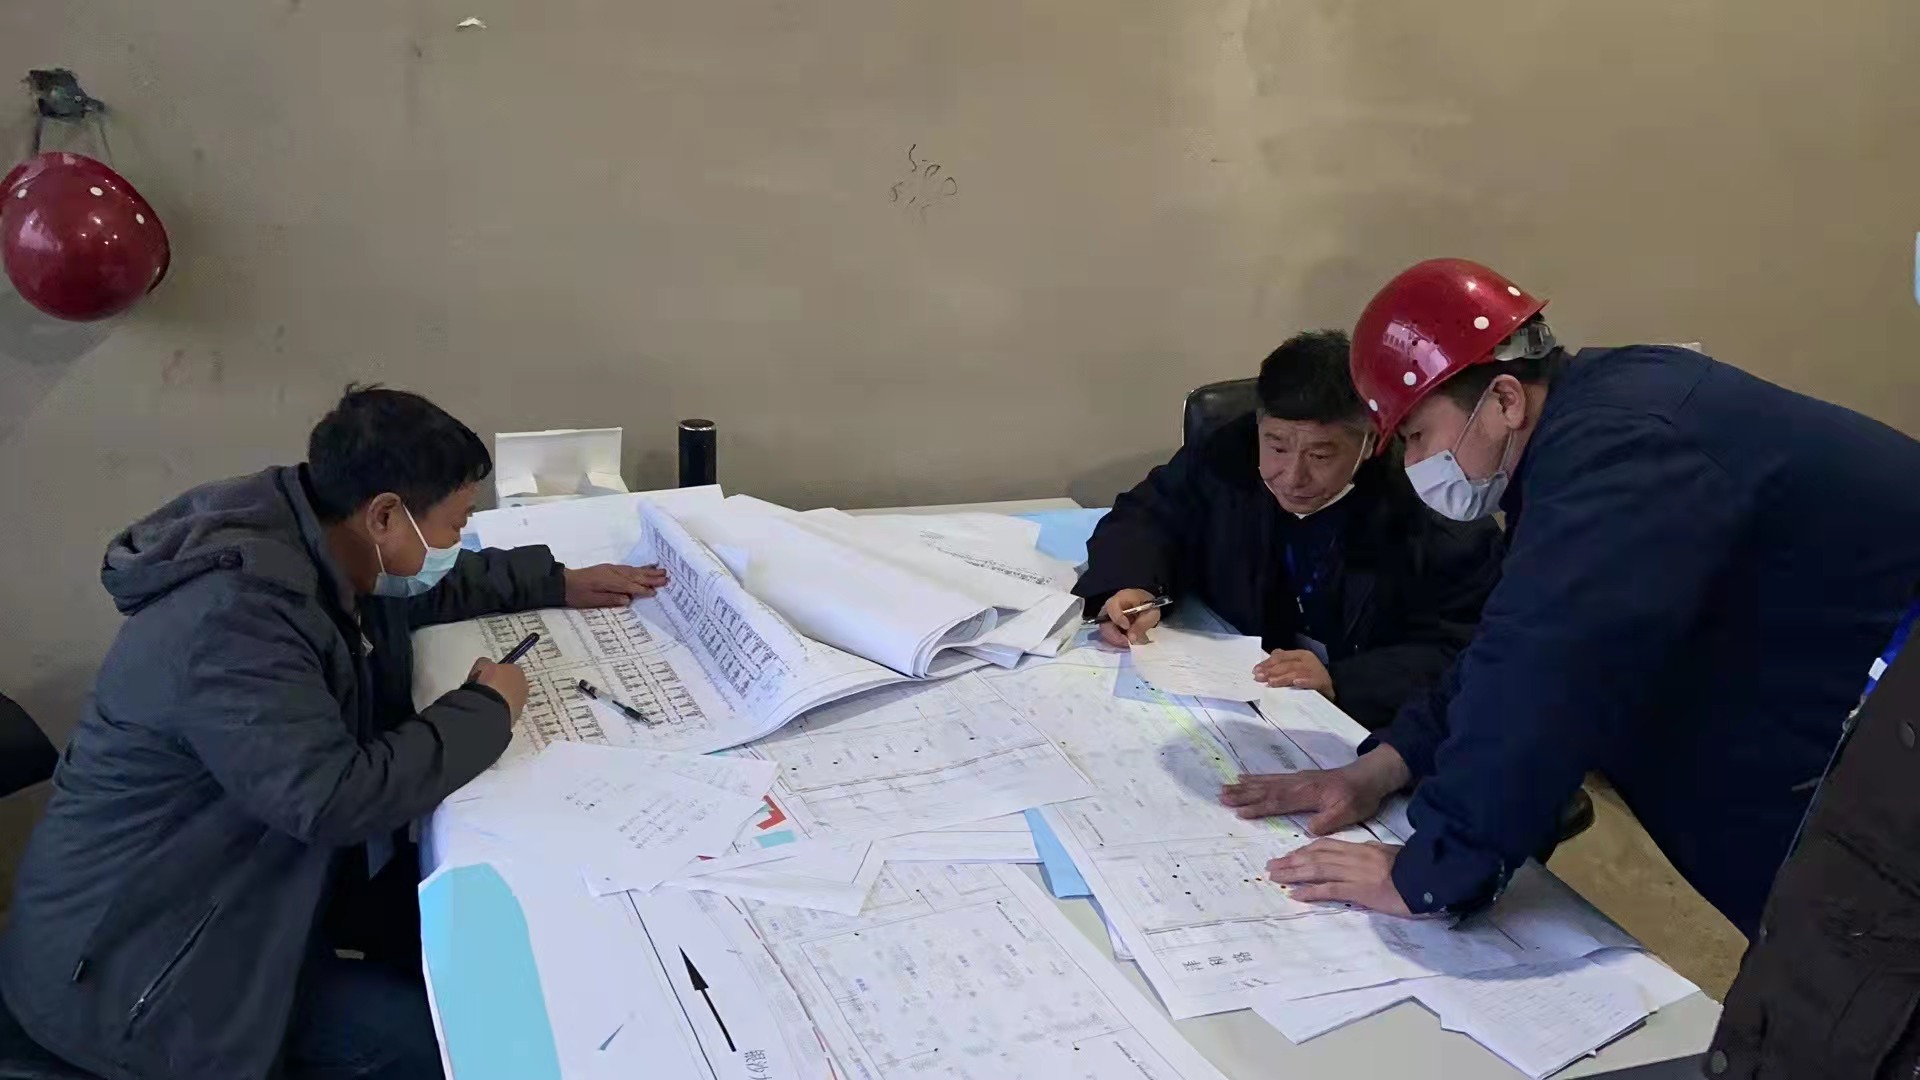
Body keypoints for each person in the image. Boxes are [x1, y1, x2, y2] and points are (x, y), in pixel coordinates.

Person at [1222, 259, 1920, 937]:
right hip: (1839, 687)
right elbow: (1509, 642)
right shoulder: (1598, 420)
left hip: (1881, 710)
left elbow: (1545, 673)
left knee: (1860, 936)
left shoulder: (1620, 452)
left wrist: (1429, 874)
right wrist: (1380, 768)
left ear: (1503, 400)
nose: (1414, 464)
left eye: (1416, 436)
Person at [0, 387, 668, 1080]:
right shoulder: (232, 625)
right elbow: (333, 799)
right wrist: (485, 709)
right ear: (386, 515)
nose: (457, 542)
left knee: (474, 955)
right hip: (141, 980)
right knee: (458, 1049)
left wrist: (554, 580)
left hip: (240, 888)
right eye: (455, 524)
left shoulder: (315, 536)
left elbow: (421, 583)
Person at [1074, 329, 1503, 728]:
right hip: (1230, 693)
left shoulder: (1432, 514)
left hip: (1355, 724)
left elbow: (1467, 645)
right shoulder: (1228, 455)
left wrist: (1345, 680)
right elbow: (1148, 515)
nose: (1292, 476)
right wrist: (1133, 586)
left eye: (1320, 456)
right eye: (1276, 446)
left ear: (1372, 441)